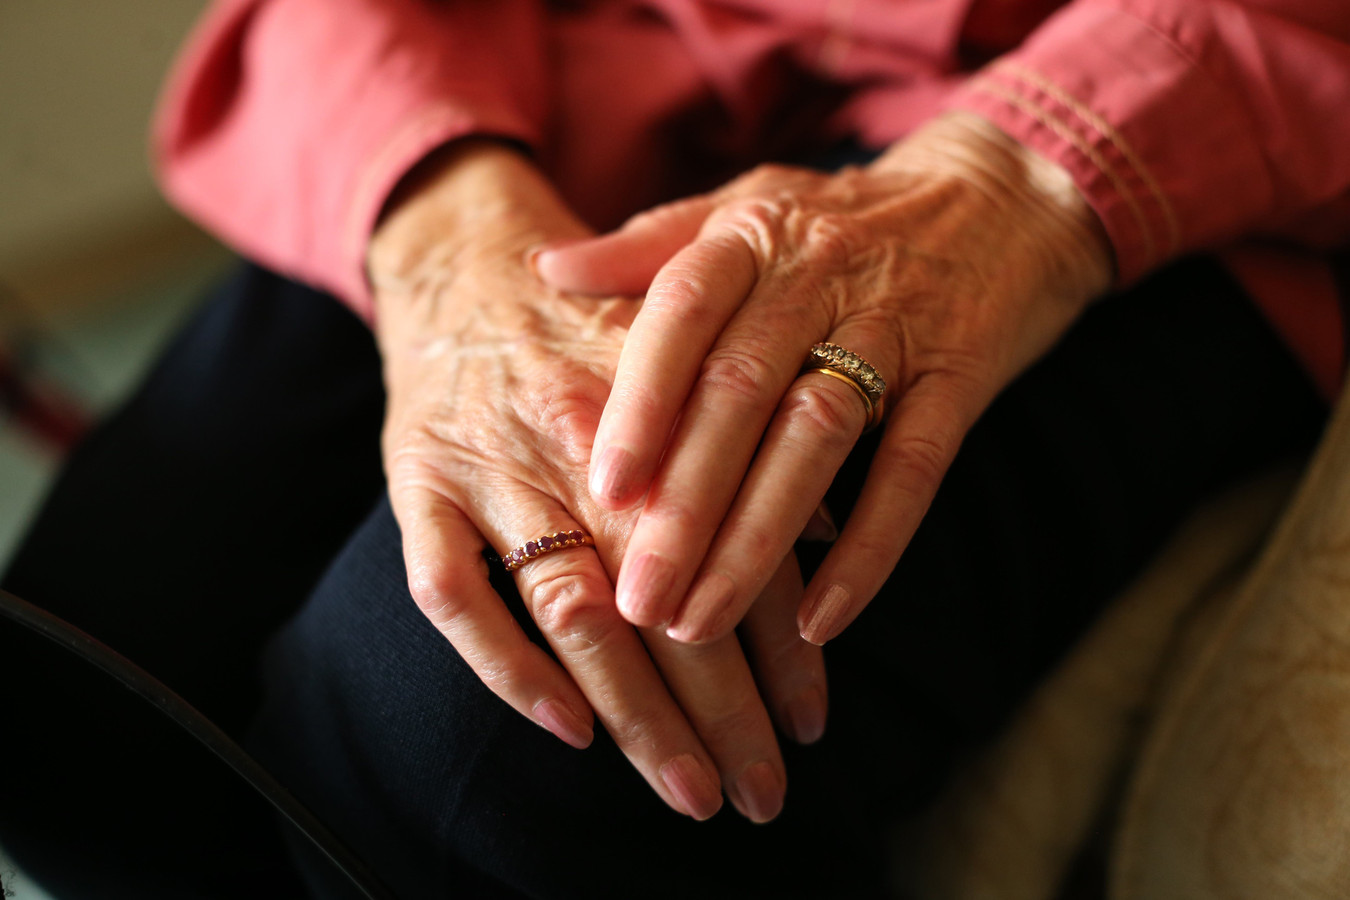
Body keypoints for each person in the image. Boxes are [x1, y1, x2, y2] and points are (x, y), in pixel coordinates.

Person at [2, 1, 1348, 897]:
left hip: (1146, 114)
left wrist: (1024, 175)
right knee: (75, 720)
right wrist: (450, 236)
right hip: (554, 76)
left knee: (494, 740)